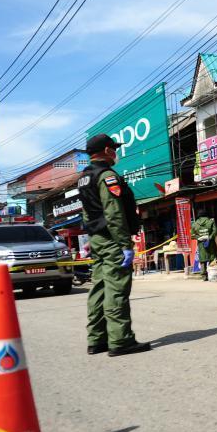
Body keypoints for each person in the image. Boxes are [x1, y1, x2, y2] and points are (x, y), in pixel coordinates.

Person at [77, 134, 151, 357]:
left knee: (99, 288)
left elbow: (87, 212)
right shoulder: (107, 176)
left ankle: (97, 339)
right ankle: (121, 340)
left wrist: (92, 238)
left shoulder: (84, 177)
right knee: (116, 288)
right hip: (112, 240)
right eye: (114, 149)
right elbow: (114, 213)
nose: (116, 152)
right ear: (107, 150)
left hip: (98, 239)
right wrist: (124, 244)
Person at [191, 207, 217, 281]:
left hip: (201, 244)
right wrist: (209, 237)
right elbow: (215, 231)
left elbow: (192, 235)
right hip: (210, 243)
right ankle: (212, 275)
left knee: (203, 259)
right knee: (211, 257)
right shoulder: (210, 221)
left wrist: (198, 237)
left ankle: (204, 276)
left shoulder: (195, 224)